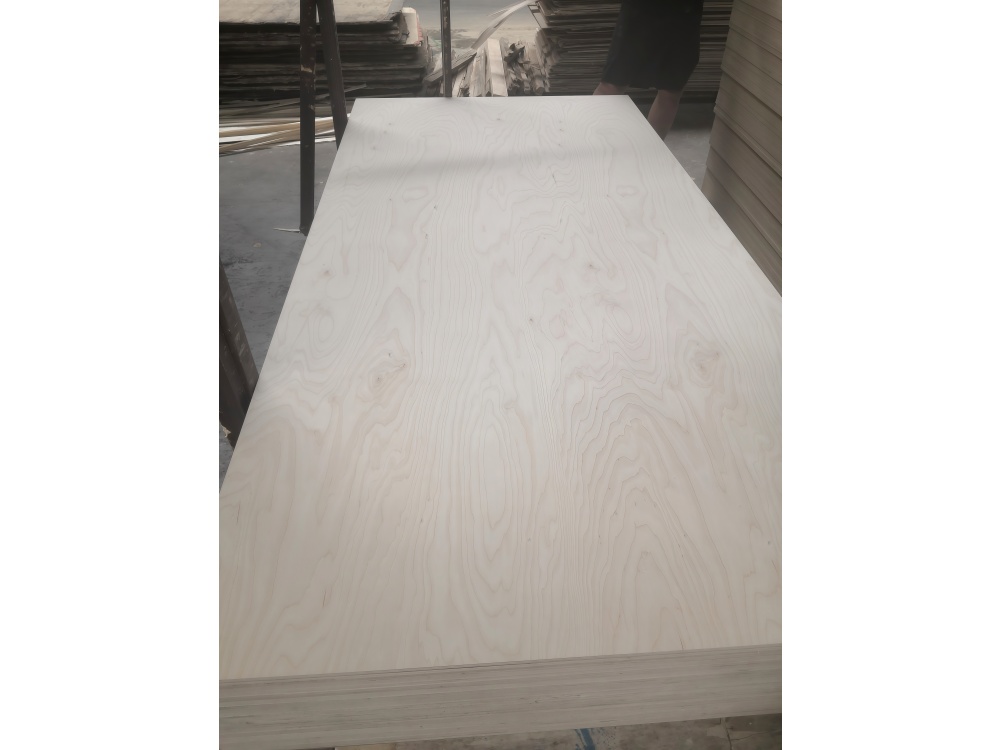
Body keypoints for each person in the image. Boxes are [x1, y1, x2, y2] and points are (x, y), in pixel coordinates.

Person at [594, 0, 704, 138]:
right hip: (643, 6)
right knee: (612, 83)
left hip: (685, 10)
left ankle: (653, 149)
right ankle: (586, 141)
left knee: (670, 89)